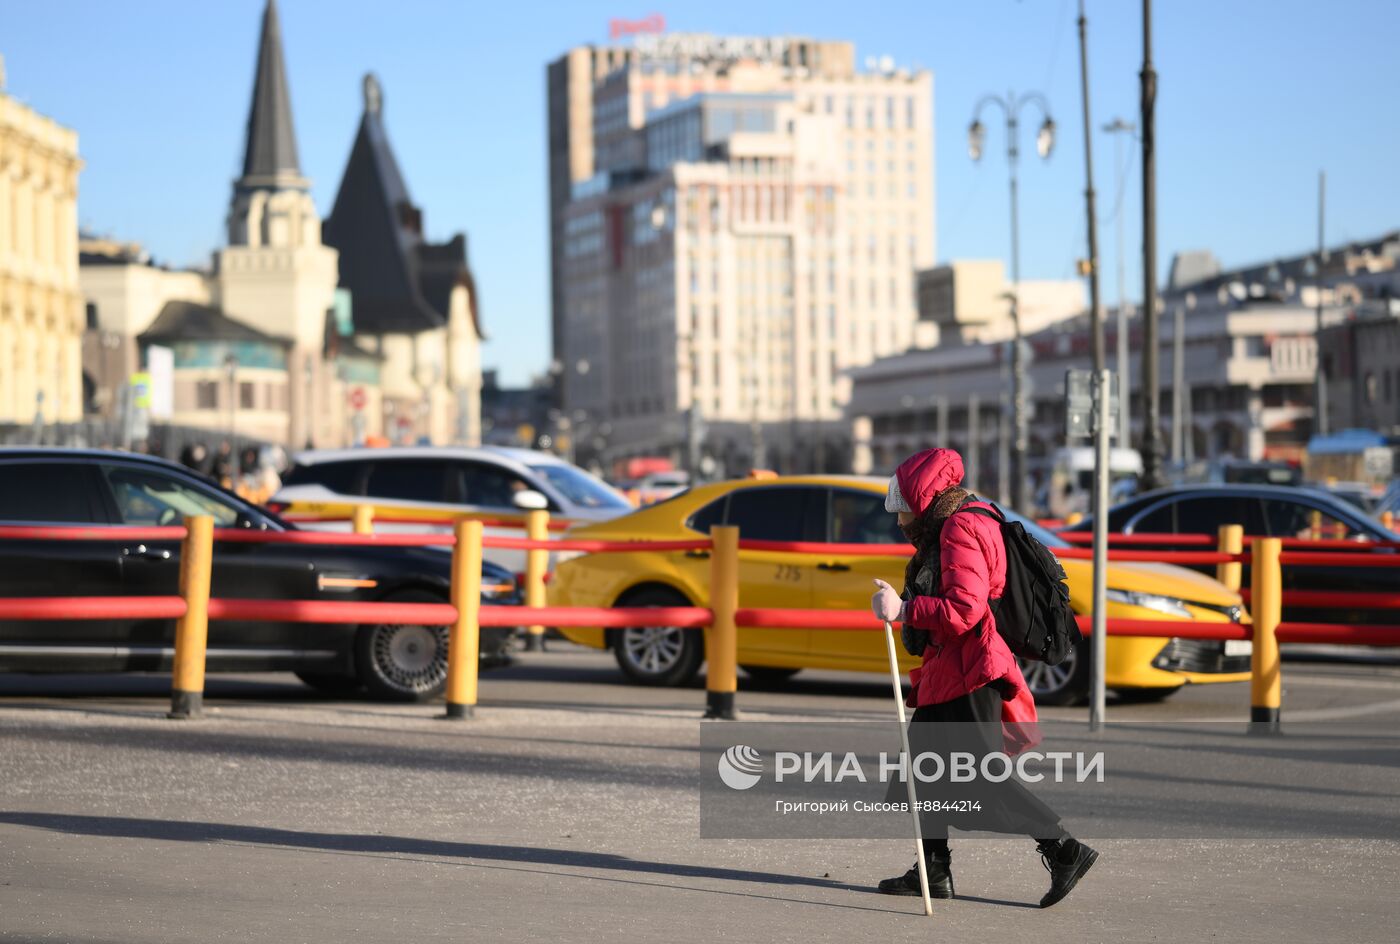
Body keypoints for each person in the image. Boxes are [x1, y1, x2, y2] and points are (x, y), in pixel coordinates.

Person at [870, 447, 1097, 908]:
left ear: (925, 498)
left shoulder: (961, 527)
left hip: (971, 671)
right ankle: (932, 871)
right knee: (921, 773)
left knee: (978, 780)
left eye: (905, 509)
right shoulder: (969, 517)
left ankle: (1064, 849)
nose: (901, 521)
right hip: (950, 668)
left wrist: (904, 608)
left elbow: (964, 610)